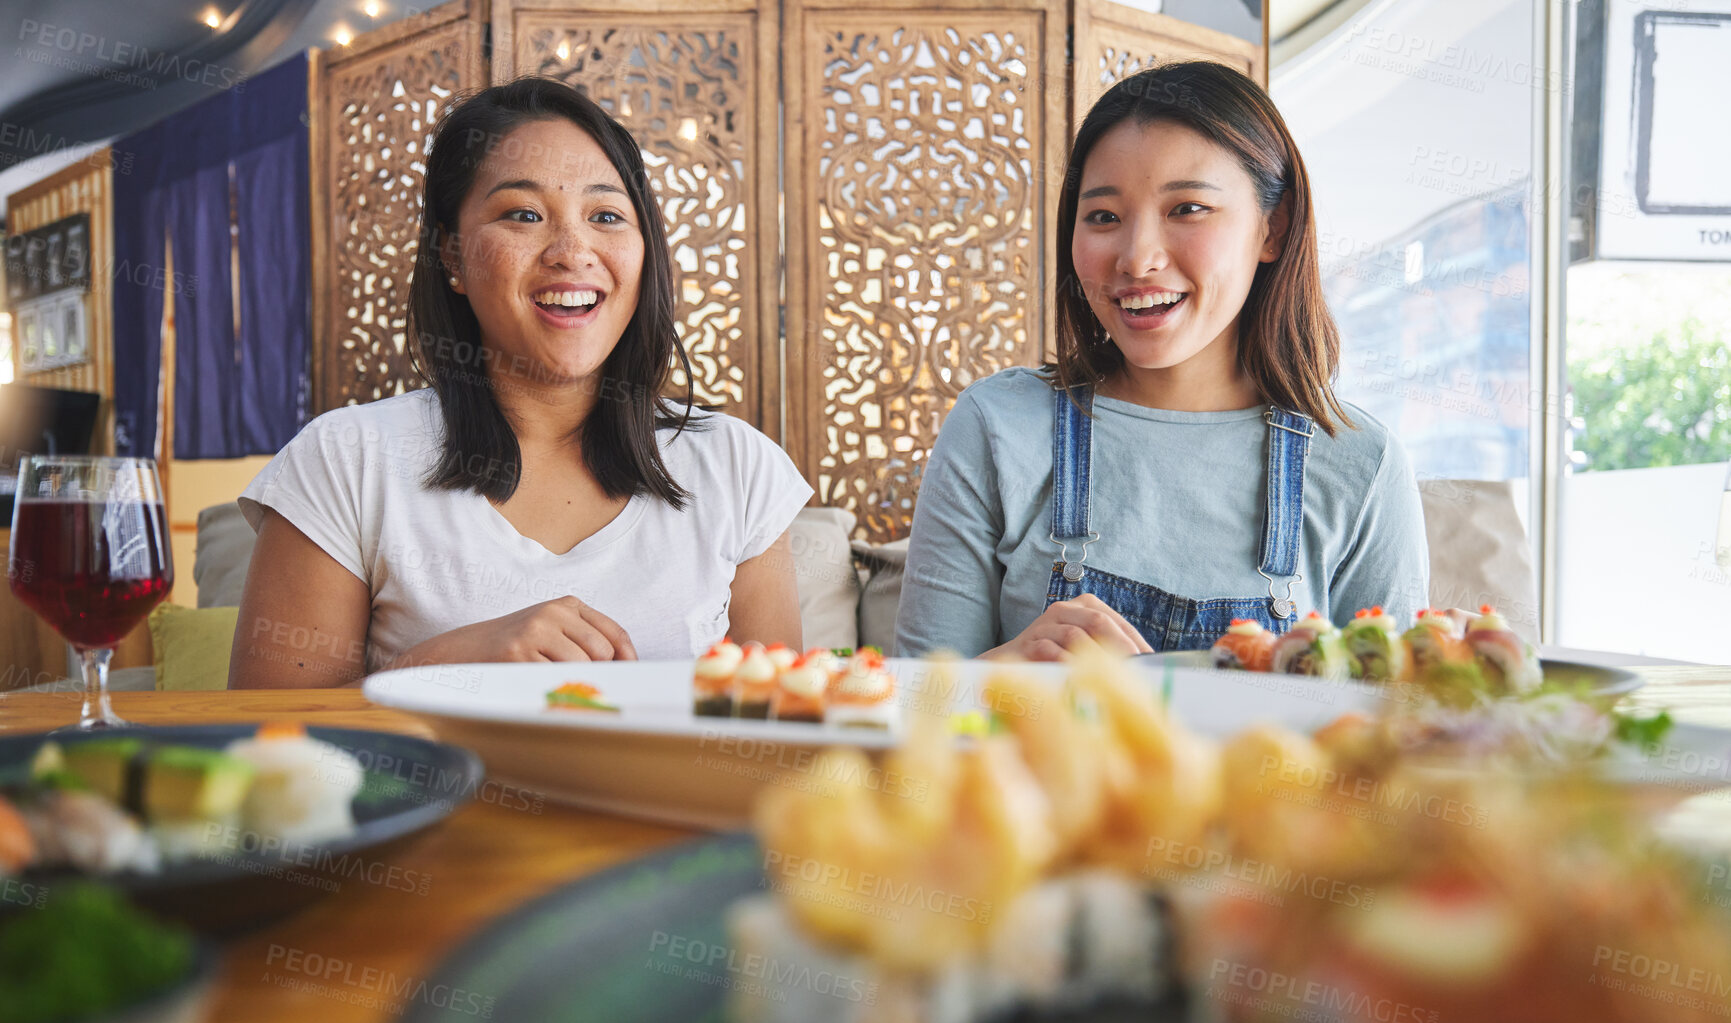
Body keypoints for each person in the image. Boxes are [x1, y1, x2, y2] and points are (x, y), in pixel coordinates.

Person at [231, 78, 810, 688]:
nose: (572, 250)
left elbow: (779, 739)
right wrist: (449, 664)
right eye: (524, 214)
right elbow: (264, 745)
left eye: (607, 215)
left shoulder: (738, 467)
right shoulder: (346, 461)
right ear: (452, 257)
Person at [895, 61, 1428, 661]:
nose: (1137, 257)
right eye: (1103, 217)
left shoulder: (1361, 465)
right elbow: (914, 713)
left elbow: (1388, 734)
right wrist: (1006, 671)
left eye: (1188, 209)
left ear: (1271, 230)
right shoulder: (996, 425)